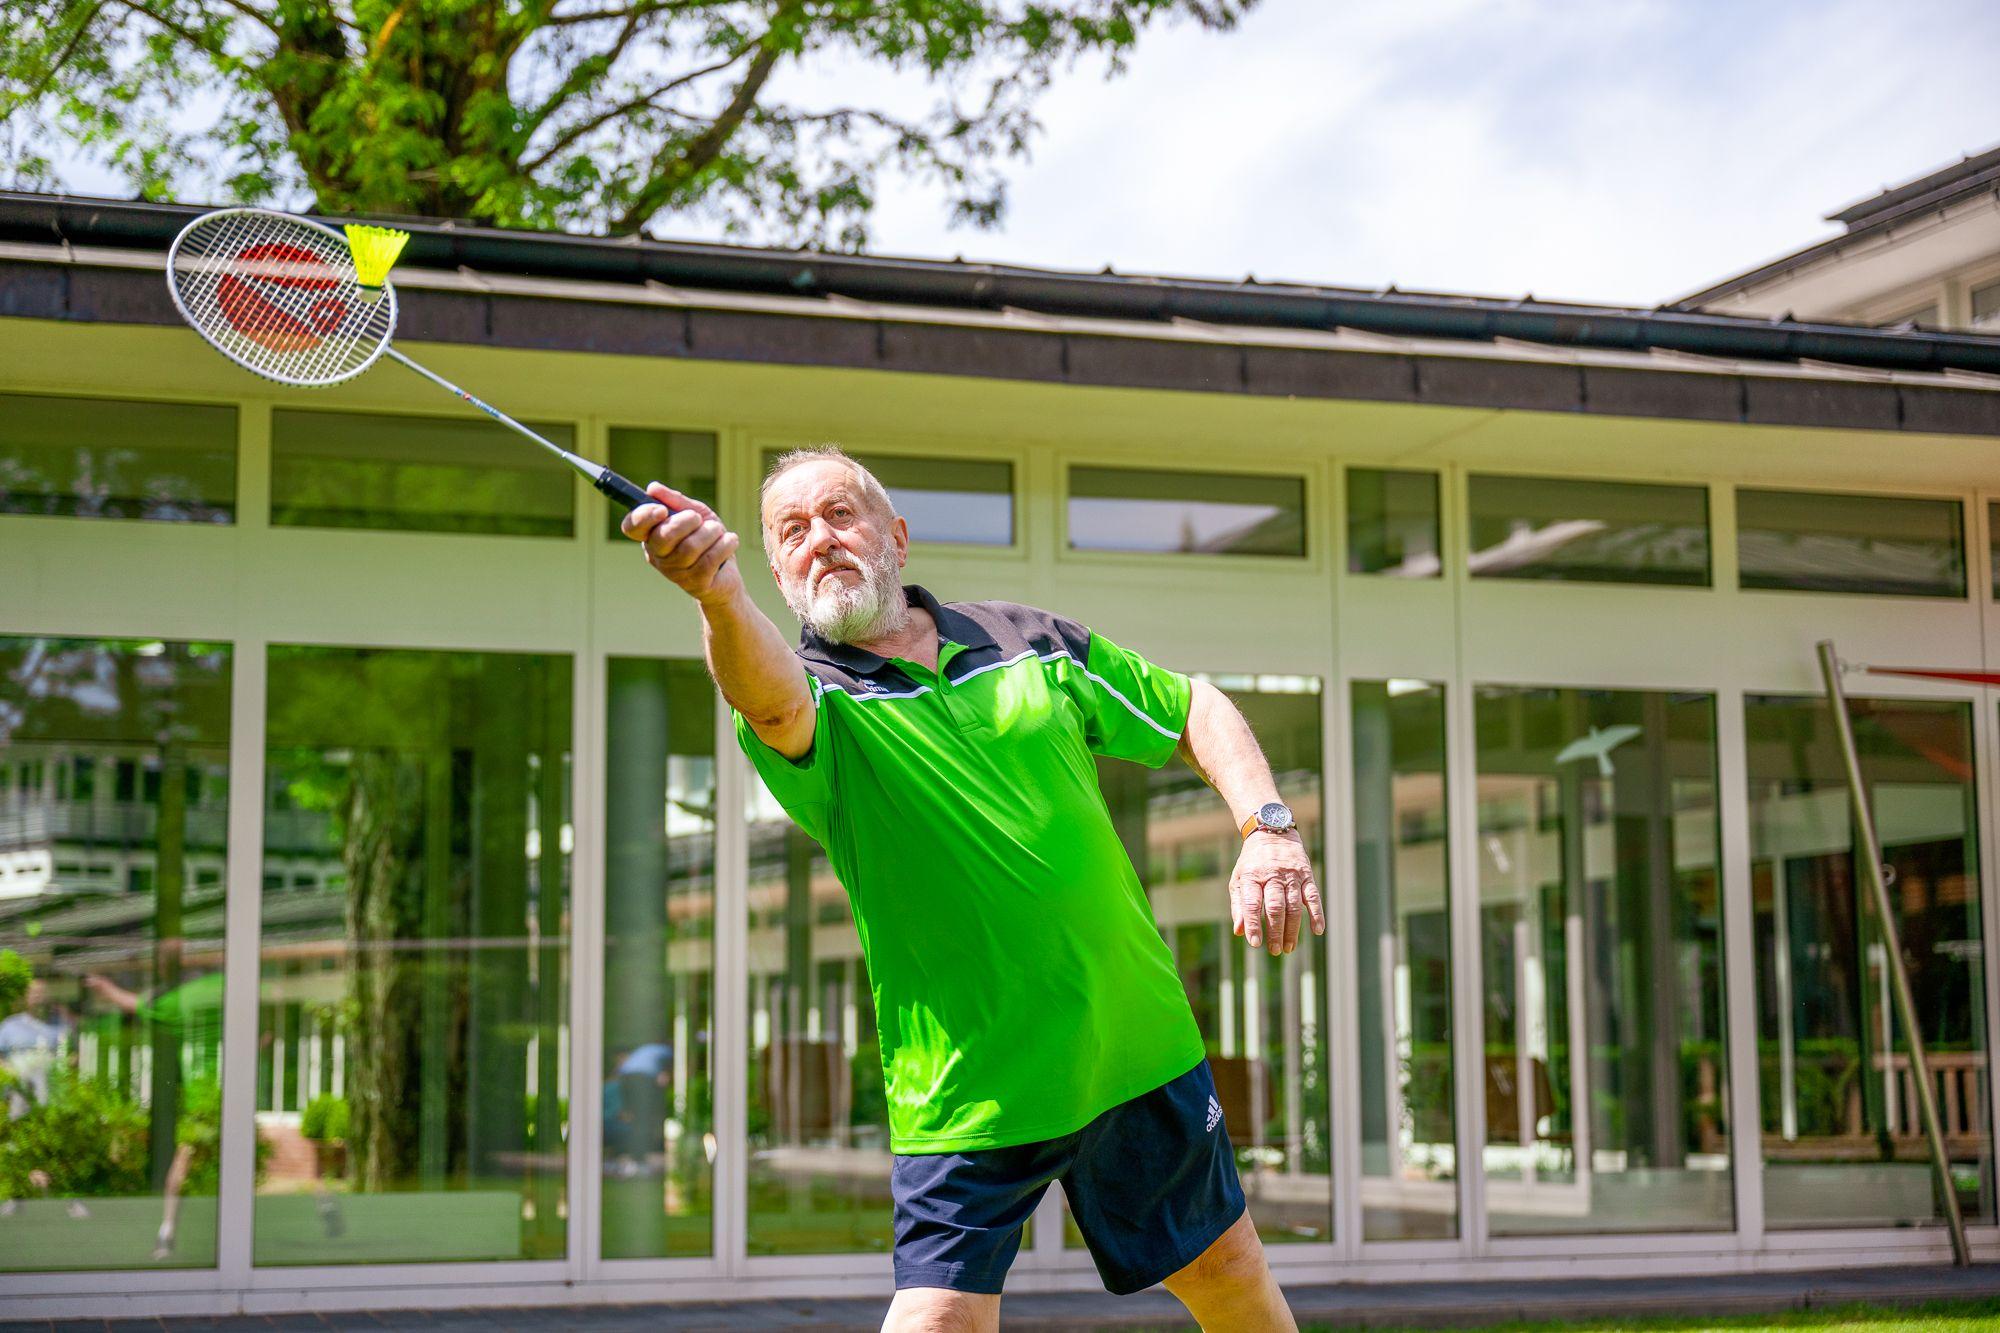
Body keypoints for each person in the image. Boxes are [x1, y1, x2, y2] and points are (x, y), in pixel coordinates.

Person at [621, 446, 1321, 1333]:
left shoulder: (1032, 642)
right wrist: (717, 592)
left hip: (1133, 1049)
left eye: (841, 514)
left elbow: (1193, 707)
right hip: (969, 1089)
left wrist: (1268, 828)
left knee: (1230, 1275)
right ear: (777, 570)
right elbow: (769, 701)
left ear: (896, 537)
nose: (820, 540)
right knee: (940, 1317)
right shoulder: (818, 699)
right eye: (790, 532)